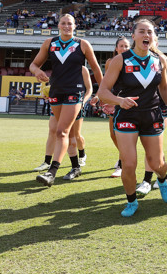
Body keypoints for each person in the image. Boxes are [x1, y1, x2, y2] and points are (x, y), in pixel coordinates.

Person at [98, 19, 167, 217]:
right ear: (133, 35)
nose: (146, 35)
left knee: (157, 164)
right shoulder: (120, 60)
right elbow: (102, 91)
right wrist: (120, 100)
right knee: (129, 163)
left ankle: (162, 179)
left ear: (153, 37)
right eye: (142, 31)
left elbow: (164, 89)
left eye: (150, 32)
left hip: (152, 115)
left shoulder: (159, 60)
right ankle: (131, 201)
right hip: (126, 115)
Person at [30, 14, 103, 187]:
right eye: (63, 23)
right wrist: (36, 72)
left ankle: (51, 172)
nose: (66, 26)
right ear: (58, 25)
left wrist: (102, 92)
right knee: (66, 133)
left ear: (75, 26)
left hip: (75, 92)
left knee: (61, 132)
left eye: (70, 23)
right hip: (55, 92)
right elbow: (33, 65)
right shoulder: (49, 43)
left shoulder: (82, 44)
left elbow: (96, 69)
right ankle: (76, 167)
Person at [135, 38, 167, 197]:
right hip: (141, 107)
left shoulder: (165, 61)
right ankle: (163, 176)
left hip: (161, 107)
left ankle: (147, 181)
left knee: (152, 147)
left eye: (151, 39)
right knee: (154, 148)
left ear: (156, 42)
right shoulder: (133, 60)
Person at [33, 67, 96, 175]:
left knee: (75, 135)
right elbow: (53, 85)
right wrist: (48, 93)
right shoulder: (60, 65)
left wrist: (82, 102)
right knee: (53, 130)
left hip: (75, 102)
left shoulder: (82, 69)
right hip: (59, 102)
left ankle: (81, 154)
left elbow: (89, 89)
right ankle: (47, 162)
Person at [102, 36, 131, 178]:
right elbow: (108, 84)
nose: (124, 49)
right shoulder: (110, 62)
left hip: (128, 102)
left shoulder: (133, 61)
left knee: (122, 136)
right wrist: (108, 100)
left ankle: (122, 163)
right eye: (121, 46)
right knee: (113, 135)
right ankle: (125, 156)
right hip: (114, 101)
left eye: (126, 46)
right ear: (116, 48)